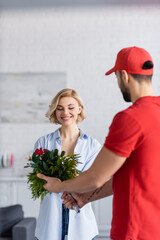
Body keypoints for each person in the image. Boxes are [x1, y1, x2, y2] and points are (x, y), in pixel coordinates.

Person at [37, 46, 160, 239]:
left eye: (117, 78)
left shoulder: (130, 119)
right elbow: (122, 176)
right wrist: (84, 198)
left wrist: (57, 186)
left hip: (135, 229)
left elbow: (96, 177)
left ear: (124, 76)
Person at [34, 88, 101, 240]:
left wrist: (61, 181)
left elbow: (93, 182)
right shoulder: (43, 142)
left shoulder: (92, 145)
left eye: (70, 107)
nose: (65, 113)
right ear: (55, 111)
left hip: (81, 223)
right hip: (49, 222)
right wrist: (75, 180)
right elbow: (39, 179)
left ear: (79, 109)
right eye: (60, 108)